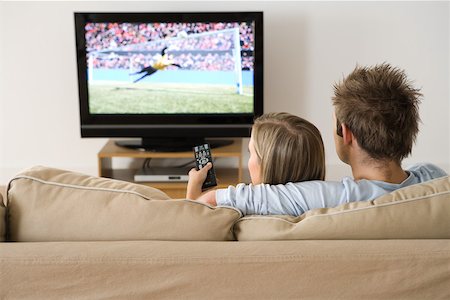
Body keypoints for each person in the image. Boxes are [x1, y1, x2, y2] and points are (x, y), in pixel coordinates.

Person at [188, 63, 447, 216]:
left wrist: (196, 194)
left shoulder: (335, 198)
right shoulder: (435, 180)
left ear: (346, 134)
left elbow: (218, 201)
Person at [186, 112, 326, 201]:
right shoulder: (332, 208)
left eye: (251, 153)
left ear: (267, 165)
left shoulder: (238, 211)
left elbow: (193, 224)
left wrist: (194, 191)